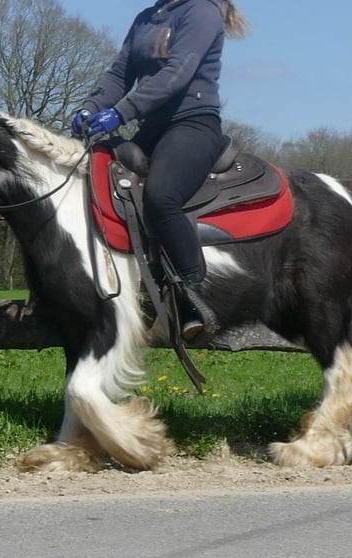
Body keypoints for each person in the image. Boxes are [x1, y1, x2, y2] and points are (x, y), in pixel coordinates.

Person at [71, 0, 249, 342]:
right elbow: (119, 73)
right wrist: (90, 108)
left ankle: (193, 299)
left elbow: (177, 74)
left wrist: (121, 113)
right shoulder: (145, 18)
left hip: (192, 124)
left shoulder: (201, 11)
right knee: (101, 182)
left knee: (161, 196)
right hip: (151, 127)